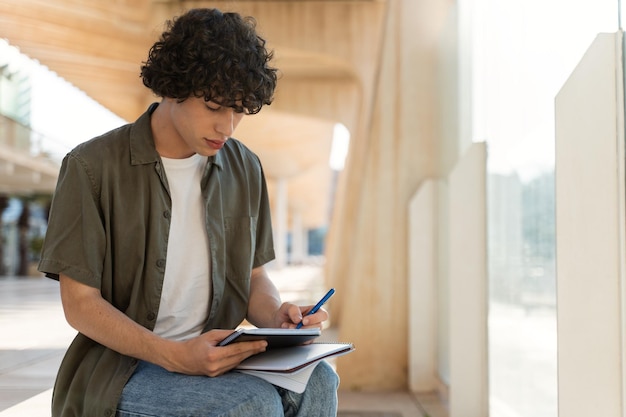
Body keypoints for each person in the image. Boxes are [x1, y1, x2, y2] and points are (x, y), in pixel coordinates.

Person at [38, 8, 339, 417]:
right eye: (215, 107)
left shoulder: (244, 166)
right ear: (174, 87)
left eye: (239, 111)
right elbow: (80, 304)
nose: (227, 127)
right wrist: (175, 356)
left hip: (217, 355)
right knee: (251, 404)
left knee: (320, 380)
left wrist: (277, 315)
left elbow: (254, 278)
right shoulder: (92, 167)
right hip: (125, 369)